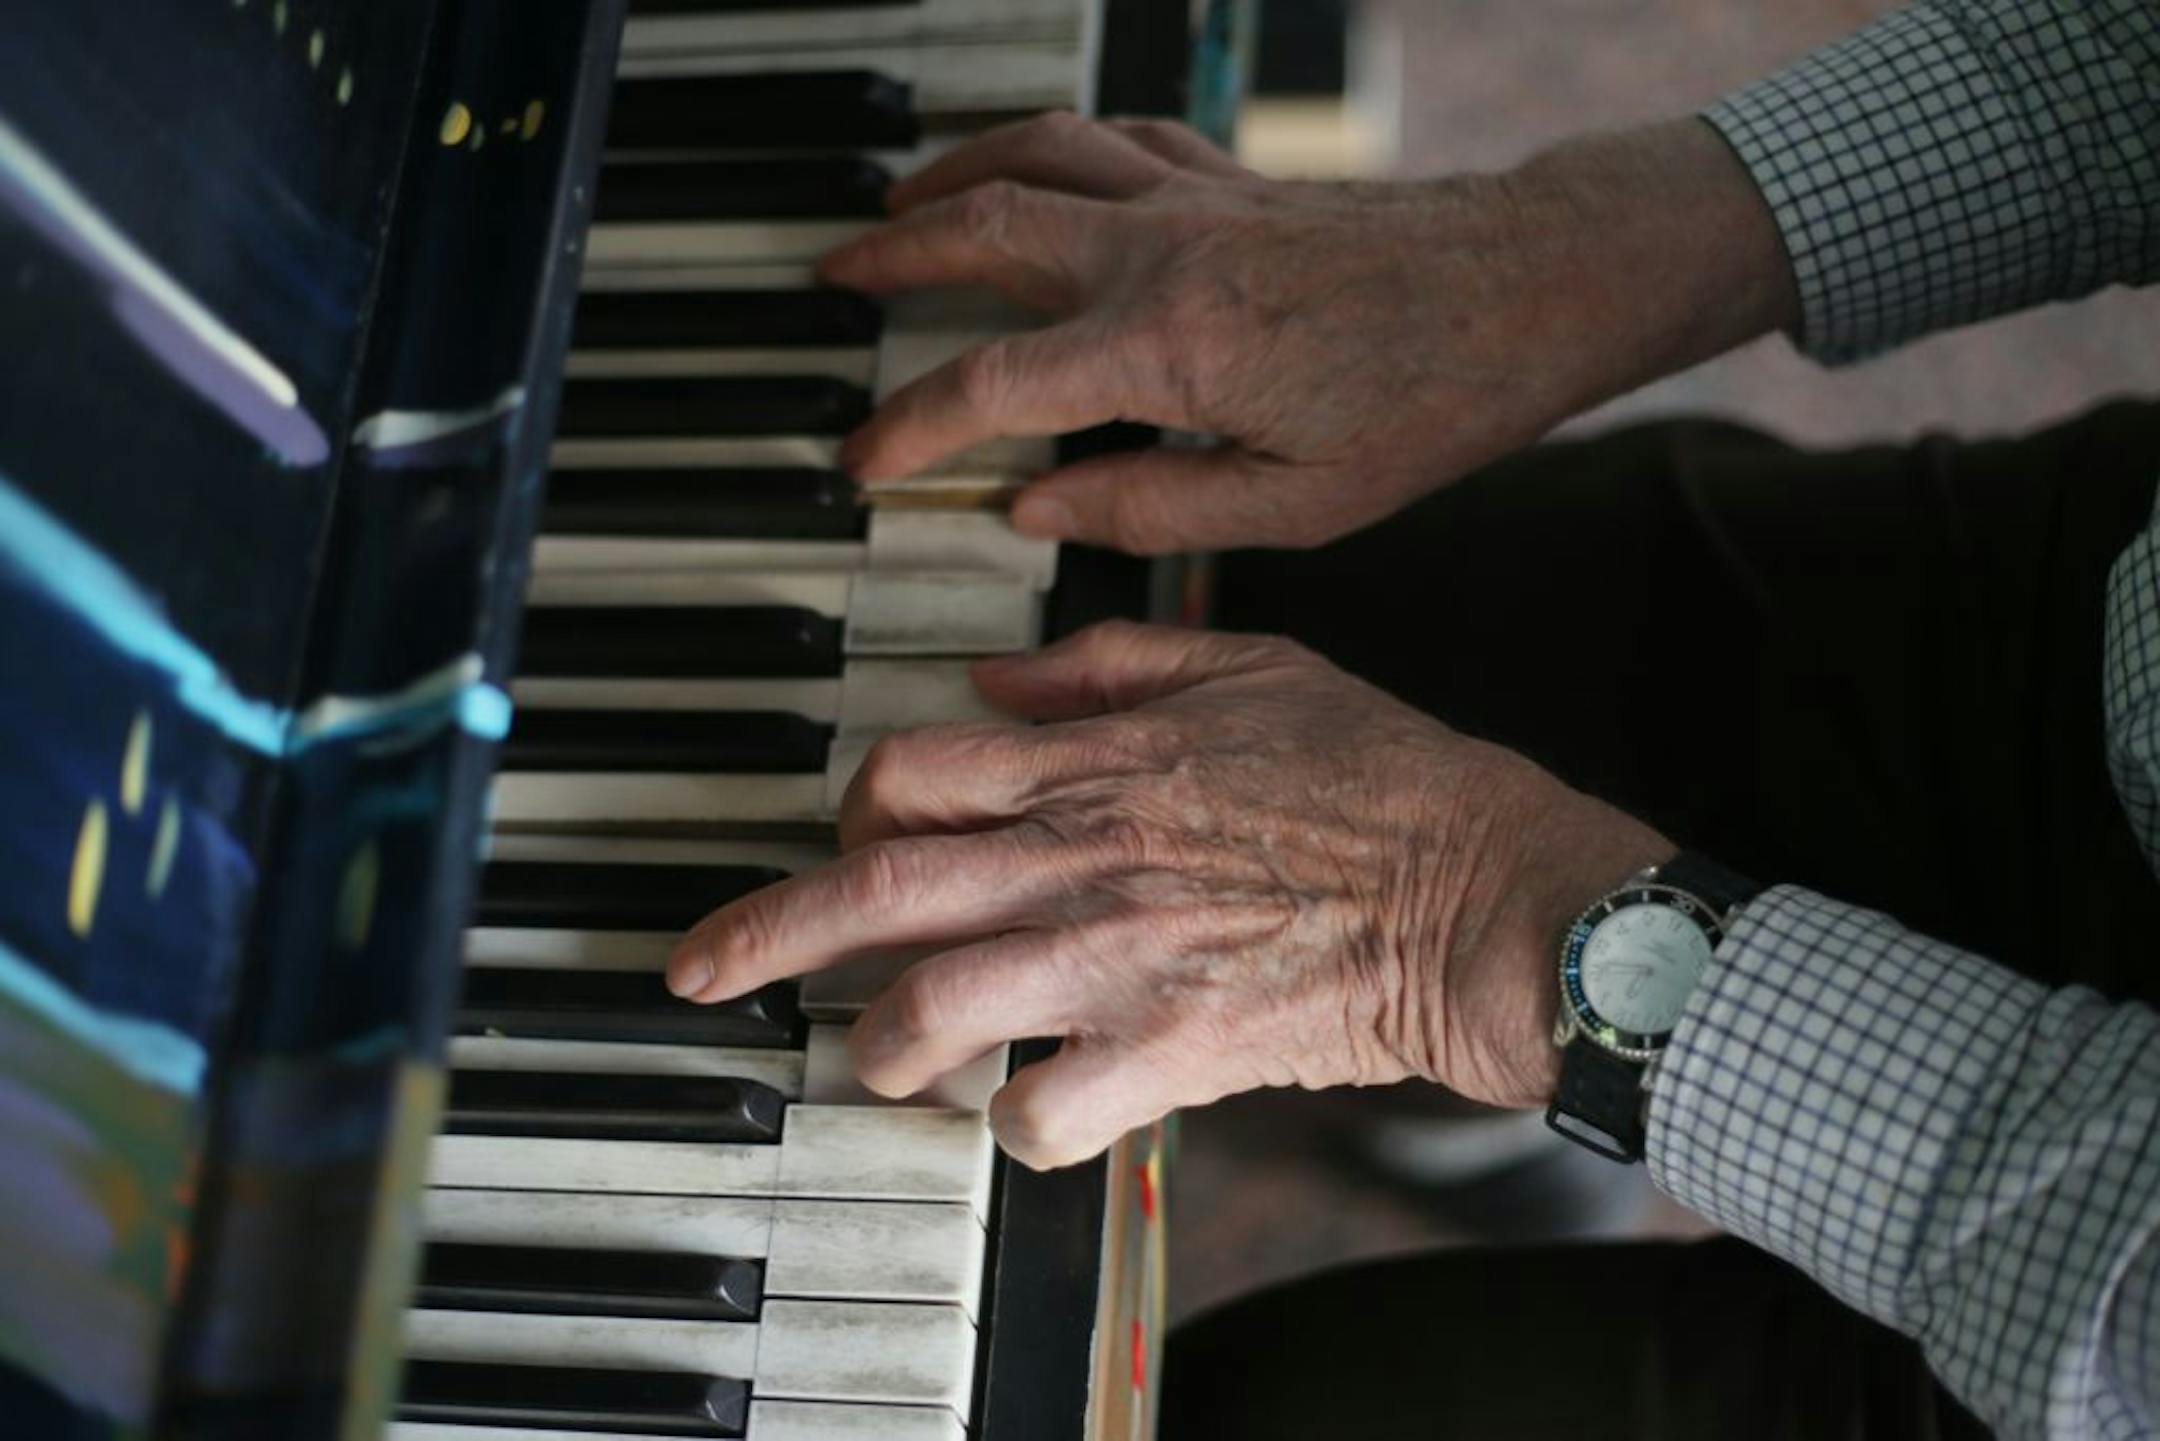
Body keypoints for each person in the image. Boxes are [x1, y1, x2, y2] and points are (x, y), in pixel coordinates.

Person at [664, 2, 2160, 1435]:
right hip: (2099, 616)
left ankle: (1552, 1080)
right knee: (1248, 609)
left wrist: (1478, 925)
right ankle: (1485, 1125)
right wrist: (1542, 255)